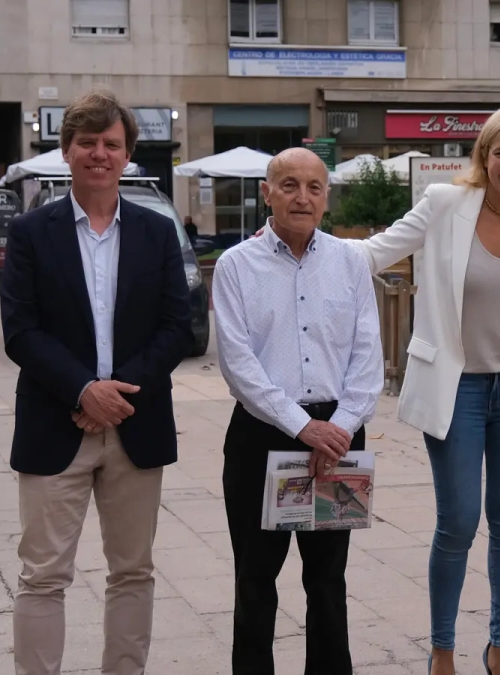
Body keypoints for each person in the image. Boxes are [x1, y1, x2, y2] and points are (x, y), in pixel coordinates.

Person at [347, 104, 500, 675]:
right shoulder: (446, 205)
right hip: (458, 388)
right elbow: (373, 251)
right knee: (460, 519)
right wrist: (295, 244)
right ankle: (442, 650)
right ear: (484, 157)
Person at [0, 89, 194, 675]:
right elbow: (20, 330)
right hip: (55, 424)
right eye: (88, 142)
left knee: (132, 570)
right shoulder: (32, 232)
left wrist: (115, 395)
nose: (100, 154)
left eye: (112, 144)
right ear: (66, 151)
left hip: (136, 425)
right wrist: (84, 391)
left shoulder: (157, 232)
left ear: (129, 155)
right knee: (43, 574)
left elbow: (175, 328)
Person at [212, 147, 384, 675]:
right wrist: (300, 425)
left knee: (328, 579)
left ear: (326, 197)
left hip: (337, 437)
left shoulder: (350, 262)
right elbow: (238, 363)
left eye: (313, 186)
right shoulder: (235, 265)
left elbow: (367, 355)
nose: (301, 197)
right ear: (267, 193)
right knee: (255, 578)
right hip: (262, 436)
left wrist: (340, 426)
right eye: (288, 185)